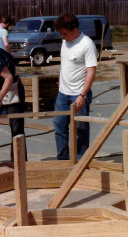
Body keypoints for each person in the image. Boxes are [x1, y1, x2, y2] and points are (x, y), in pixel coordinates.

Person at [53, 13, 97, 160]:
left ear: (74, 29)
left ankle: (81, 160)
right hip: (62, 94)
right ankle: (62, 159)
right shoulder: (65, 41)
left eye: (64, 33)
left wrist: (82, 95)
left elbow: (91, 71)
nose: (62, 37)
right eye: (61, 33)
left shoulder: (87, 44)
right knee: (59, 127)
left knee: (81, 129)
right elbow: (64, 64)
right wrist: (61, 81)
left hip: (78, 94)